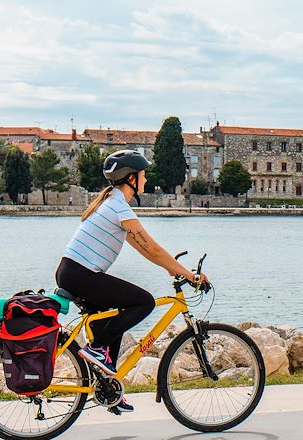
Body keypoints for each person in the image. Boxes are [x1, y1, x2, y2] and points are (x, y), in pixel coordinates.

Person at [54, 150, 209, 413]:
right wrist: (187, 274)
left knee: (113, 317)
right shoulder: (118, 207)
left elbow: (146, 250)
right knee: (143, 302)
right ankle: (96, 348)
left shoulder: (111, 203)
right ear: (131, 178)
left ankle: (109, 387)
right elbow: (152, 249)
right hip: (80, 274)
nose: (146, 180)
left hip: (73, 272)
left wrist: (172, 268)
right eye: (143, 175)